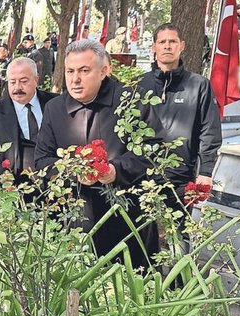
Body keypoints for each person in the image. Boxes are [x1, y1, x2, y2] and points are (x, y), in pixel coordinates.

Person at [34, 39, 164, 268]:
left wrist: (116, 170)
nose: (75, 79)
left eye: (84, 71)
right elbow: (42, 161)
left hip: (127, 219)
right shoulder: (55, 108)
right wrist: (74, 171)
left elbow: (153, 154)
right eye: (70, 71)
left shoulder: (132, 101)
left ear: (104, 70)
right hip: (75, 221)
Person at [139, 23, 222, 213]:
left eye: (172, 41)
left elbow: (210, 131)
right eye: (162, 42)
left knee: (180, 239)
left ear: (182, 45)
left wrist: (206, 172)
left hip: (181, 177)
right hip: (142, 175)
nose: (167, 46)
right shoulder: (139, 85)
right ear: (154, 47)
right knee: (142, 239)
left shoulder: (199, 85)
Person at [0, 57, 57, 178]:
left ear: (36, 80)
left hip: (54, 182)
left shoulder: (56, 104)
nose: (17, 87)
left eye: (24, 81)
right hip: (13, 186)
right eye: (12, 82)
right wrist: (1, 175)